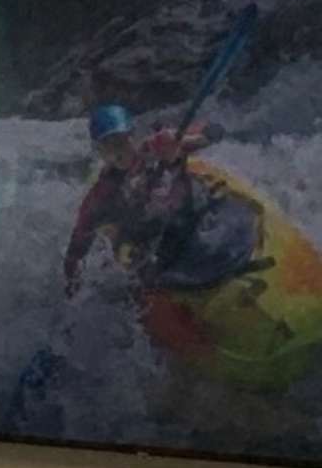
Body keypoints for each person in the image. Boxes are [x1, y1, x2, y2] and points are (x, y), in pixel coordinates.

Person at [62, 100, 322, 398]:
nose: (118, 151)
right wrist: (73, 292)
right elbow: (78, 244)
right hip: (164, 251)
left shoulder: (158, 147)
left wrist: (190, 140)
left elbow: (209, 133)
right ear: (99, 151)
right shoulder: (101, 198)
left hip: (205, 221)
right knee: (141, 283)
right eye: (109, 146)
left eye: (121, 140)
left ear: (132, 136)